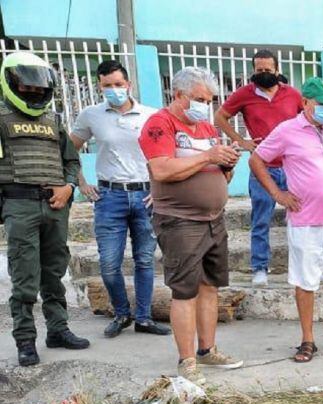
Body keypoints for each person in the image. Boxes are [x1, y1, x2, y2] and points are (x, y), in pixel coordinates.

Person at [249, 77, 323, 363]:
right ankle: (307, 340)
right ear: (305, 103)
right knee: (306, 281)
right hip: (305, 220)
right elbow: (257, 159)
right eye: (322, 104)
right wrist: (278, 193)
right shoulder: (287, 130)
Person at [138, 66, 244, 384]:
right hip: (180, 220)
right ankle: (186, 360)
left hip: (214, 219)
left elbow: (217, 170)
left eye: (209, 100)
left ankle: (207, 350)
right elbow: (163, 170)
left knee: (209, 286)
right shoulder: (160, 124)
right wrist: (209, 157)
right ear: (179, 95)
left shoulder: (207, 128)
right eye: (199, 99)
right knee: (184, 291)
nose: (204, 106)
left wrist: (227, 165)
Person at [70, 60, 171, 339]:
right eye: (107, 85)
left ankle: (144, 318)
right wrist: (82, 183)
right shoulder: (91, 115)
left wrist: (159, 188)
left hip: (146, 195)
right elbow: (68, 150)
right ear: (100, 86)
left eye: (118, 84)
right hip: (109, 196)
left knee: (145, 260)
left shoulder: (152, 115)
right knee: (109, 264)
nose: (113, 90)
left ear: (128, 84)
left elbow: (166, 154)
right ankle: (121, 313)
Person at [0, 51, 89, 366]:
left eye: (40, 85)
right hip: (19, 204)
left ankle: (58, 330)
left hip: (56, 205)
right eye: (27, 85)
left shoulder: (53, 121)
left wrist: (69, 187)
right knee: (25, 275)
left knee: (54, 272)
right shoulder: (1, 119)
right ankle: (25, 340)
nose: (35, 90)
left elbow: (71, 160)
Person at [215, 49, 303, 287]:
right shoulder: (244, 94)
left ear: (277, 69)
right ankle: (260, 268)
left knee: (300, 219)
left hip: (292, 167)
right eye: (259, 70)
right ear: (254, 70)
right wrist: (240, 141)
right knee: (261, 220)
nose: (264, 74)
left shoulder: (293, 95)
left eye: (268, 70)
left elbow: (306, 120)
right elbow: (220, 117)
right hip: (262, 167)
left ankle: (303, 266)